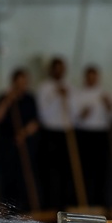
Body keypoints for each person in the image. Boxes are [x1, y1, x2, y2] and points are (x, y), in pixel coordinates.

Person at [0, 68, 40, 212]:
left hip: (25, 146)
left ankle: (26, 209)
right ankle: (7, 209)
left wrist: (23, 133)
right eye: (19, 83)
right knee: (8, 178)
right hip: (8, 147)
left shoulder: (30, 99)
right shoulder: (4, 98)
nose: (21, 87)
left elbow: (35, 122)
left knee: (25, 178)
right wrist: (8, 100)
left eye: (24, 83)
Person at [36, 57, 76, 210]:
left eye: (62, 68)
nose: (59, 71)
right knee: (50, 171)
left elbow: (74, 111)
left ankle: (65, 205)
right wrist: (56, 95)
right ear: (51, 70)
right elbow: (42, 112)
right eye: (56, 68)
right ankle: (49, 205)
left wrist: (66, 96)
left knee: (67, 171)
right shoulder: (45, 87)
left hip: (66, 132)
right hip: (50, 132)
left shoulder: (69, 86)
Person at [73, 65, 112, 209]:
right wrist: (83, 114)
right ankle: (85, 200)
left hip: (101, 133)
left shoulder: (104, 93)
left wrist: (109, 105)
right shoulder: (78, 94)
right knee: (86, 169)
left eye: (94, 76)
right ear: (85, 77)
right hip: (85, 134)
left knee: (101, 168)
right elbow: (73, 117)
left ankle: (101, 201)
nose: (91, 79)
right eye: (89, 76)